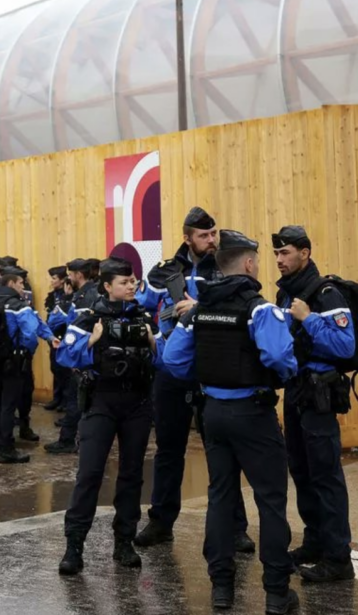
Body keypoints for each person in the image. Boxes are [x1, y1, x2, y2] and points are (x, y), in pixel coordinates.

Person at [163, 230, 299, 614]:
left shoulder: (199, 311)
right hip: (253, 414)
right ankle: (276, 593)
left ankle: (221, 588)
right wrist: (280, 375)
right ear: (249, 264)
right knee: (270, 501)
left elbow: (172, 359)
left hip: (213, 414)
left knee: (220, 497)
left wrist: (208, 376)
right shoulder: (260, 310)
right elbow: (280, 358)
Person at [135, 207, 253, 553]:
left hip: (213, 368)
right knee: (169, 450)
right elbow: (142, 307)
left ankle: (235, 527)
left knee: (222, 452)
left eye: (214, 233)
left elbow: (240, 306)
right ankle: (161, 522)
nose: (211, 240)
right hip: (172, 370)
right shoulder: (164, 272)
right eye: (204, 235)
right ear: (187, 238)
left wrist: (198, 307)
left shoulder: (224, 267)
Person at [57, 257, 158, 576]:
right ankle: (74, 546)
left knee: (132, 474)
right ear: (107, 286)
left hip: (137, 403)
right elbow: (65, 355)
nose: (131, 287)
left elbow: (166, 359)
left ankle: (124, 541)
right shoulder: (88, 317)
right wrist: (92, 340)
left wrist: (154, 342)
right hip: (101, 401)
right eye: (124, 282)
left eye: (133, 281)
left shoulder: (144, 317)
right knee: (89, 473)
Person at [273, 225, 356, 583]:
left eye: (285, 253)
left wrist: (308, 319)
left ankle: (338, 558)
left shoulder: (326, 294)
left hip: (319, 395)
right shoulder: (285, 294)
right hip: (295, 391)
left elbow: (345, 346)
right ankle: (315, 541)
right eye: (276, 254)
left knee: (325, 475)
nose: (279, 259)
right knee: (301, 471)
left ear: (304, 253)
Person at [0, 273, 56, 464]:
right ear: (11, 283)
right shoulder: (20, 306)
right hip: (13, 362)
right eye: (20, 283)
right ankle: (6, 448)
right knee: (9, 405)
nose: (22, 287)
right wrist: (27, 352)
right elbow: (31, 334)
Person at [46, 259, 100, 454]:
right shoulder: (89, 293)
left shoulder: (85, 298)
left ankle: (68, 440)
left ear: (79, 275)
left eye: (70, 274)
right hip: (85, 354)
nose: (68, 278)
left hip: (82, 356)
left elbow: (78, 328)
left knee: (76, 399)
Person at [44, 265, 70, 412]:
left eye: (54, 278)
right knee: (55, 368)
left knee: (64, 370)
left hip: (64, 335)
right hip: (53, 335)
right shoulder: (52, 296)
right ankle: (57, 397)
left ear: (62, 280)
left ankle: (65, 400)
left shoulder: (67, 296)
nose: (51, 281)